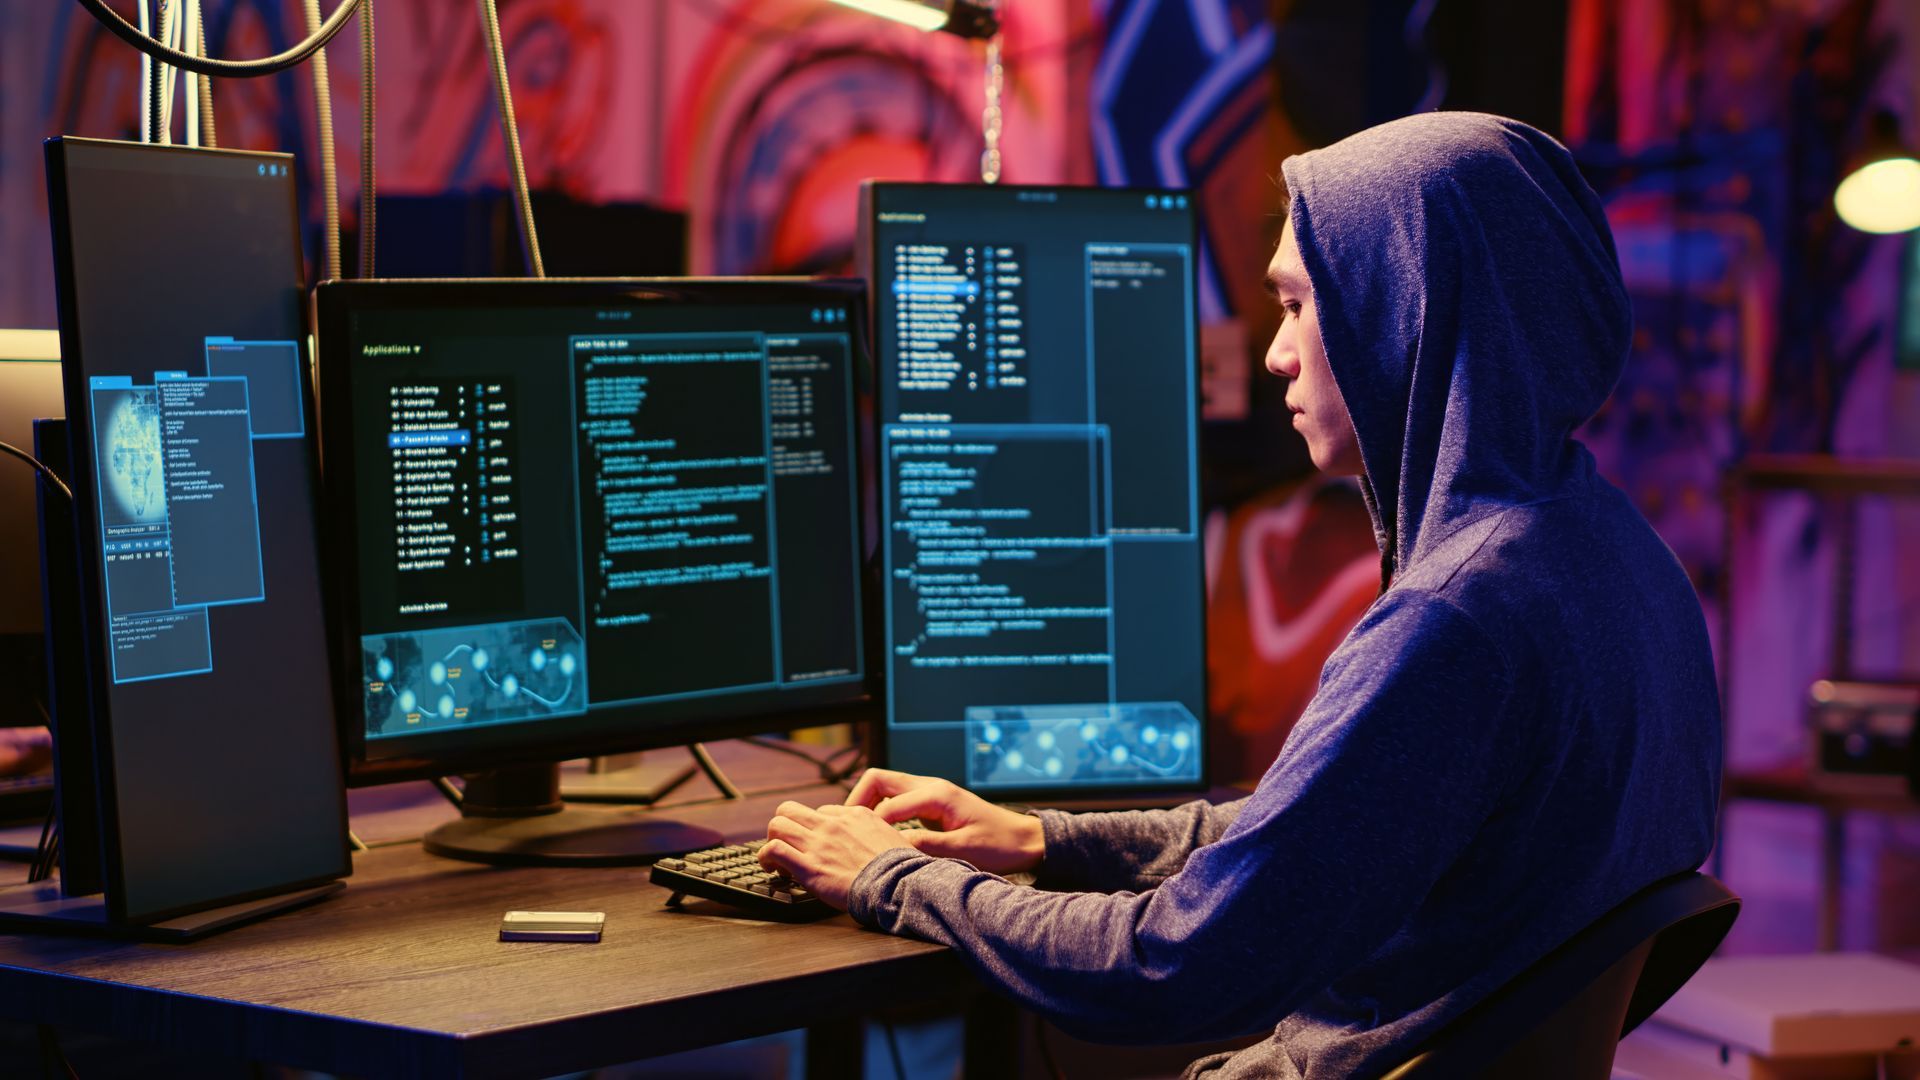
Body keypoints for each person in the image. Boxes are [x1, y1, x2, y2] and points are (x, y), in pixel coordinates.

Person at [755, 112, 1722, 1078]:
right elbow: (1310, 836)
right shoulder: (1613, 558)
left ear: (1406, 311)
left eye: (1300, 306)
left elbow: (1171, 966)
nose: (1275, 355)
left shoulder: (1456, 624)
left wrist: (891, 878)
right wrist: (1045, 840)